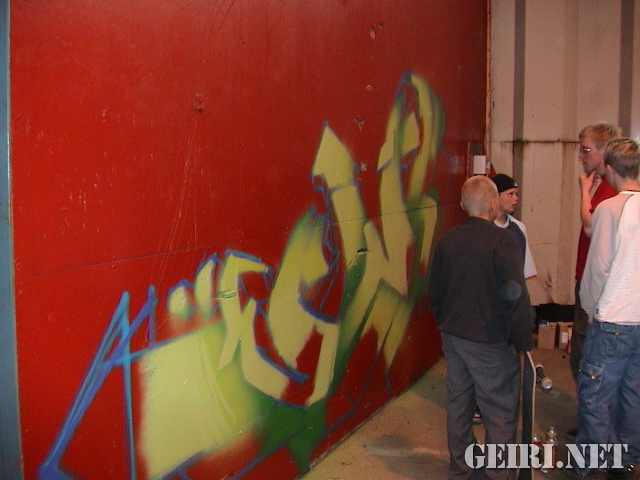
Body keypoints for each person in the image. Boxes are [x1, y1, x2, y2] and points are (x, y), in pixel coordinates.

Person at [428, 175, 533, 480]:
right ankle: (497, 474)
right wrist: (522, 340)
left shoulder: (447, 239)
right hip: (490, 341)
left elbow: (434, 290)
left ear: (463, 205)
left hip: (454, 338)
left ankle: (461, 470)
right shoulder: (502, 240)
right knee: (499, 411)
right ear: (492, 203)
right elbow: (516, 294)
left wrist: (446, 323)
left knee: (459, 405)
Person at [572, 138, 640, 479]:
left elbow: (598, 269)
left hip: (613, 319)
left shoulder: (610, 209)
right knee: (633, 393)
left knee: (595, 395)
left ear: (610, 170)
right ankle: (625, 461)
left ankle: (592, 466)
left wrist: (588, 307)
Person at [567, 122, 620, 441]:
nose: (581, 156)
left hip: (598, 287)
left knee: (587, 357)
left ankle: (599, 432)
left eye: (586, 149)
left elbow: (591, 227)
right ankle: (594, 424)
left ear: (604, 151)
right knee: (582, 355)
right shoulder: (602, 184)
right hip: (588, 279)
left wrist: (584, 191)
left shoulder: (611, 191)